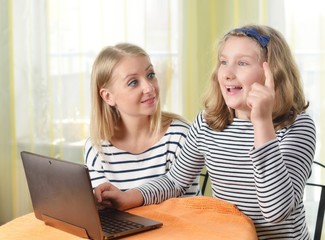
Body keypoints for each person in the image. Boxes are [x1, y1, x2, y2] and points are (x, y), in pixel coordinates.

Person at [93, 25, 316, 239]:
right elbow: (174, 182)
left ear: (273, 73)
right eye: (223, 62)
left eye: (242, 63)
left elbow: (276, 212)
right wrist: (127, 198)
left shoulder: (298, 127)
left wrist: (262, 122)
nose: (227, 73)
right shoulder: (208, 123)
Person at [84, 43, 200, 196]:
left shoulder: (179, 136)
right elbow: (103, 210)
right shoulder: (97, 147)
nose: (149, 88)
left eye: (150, 75)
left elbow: (188, 209)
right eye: (133, 82)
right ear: (108, 96)